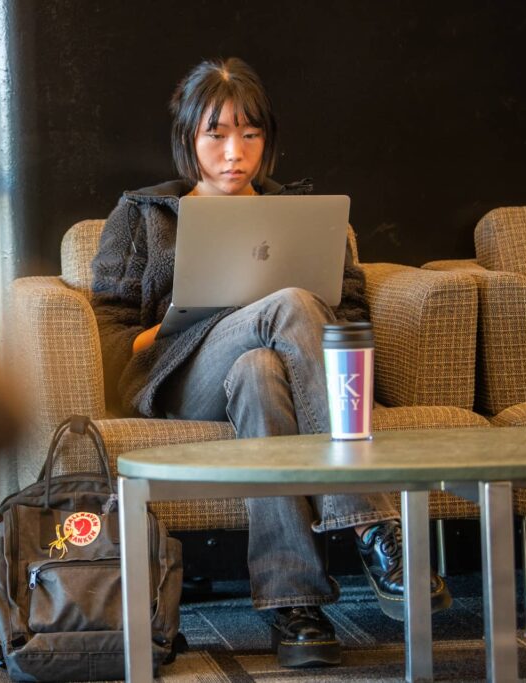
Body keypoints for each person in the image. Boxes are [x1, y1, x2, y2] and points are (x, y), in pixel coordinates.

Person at [89, 57, 451, 669]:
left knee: (262, 369)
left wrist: (287, 320)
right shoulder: (144, 215)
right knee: (285, 304)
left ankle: (295, 609)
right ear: (188, 138)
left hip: (269, 369)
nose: (235, 152)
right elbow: (108, 334)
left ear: (268, 140)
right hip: (179, 376)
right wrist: (183, 321)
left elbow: (350, 311)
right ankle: (370, 524)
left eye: (250, 135)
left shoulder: (305, 217)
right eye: (217, 134)